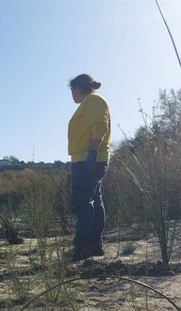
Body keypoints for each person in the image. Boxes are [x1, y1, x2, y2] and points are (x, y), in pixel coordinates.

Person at [67, 74, 111, 261]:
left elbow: (100, 126)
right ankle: (94, 244)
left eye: (72, 89)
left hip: (88, 158)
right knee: (94, 199)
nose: (71, 94)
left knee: (84, 201)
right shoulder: (89, 103)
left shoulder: (93, 100)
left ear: (78, 87)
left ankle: (83, 245)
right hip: (85, 158)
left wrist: (92, 153)